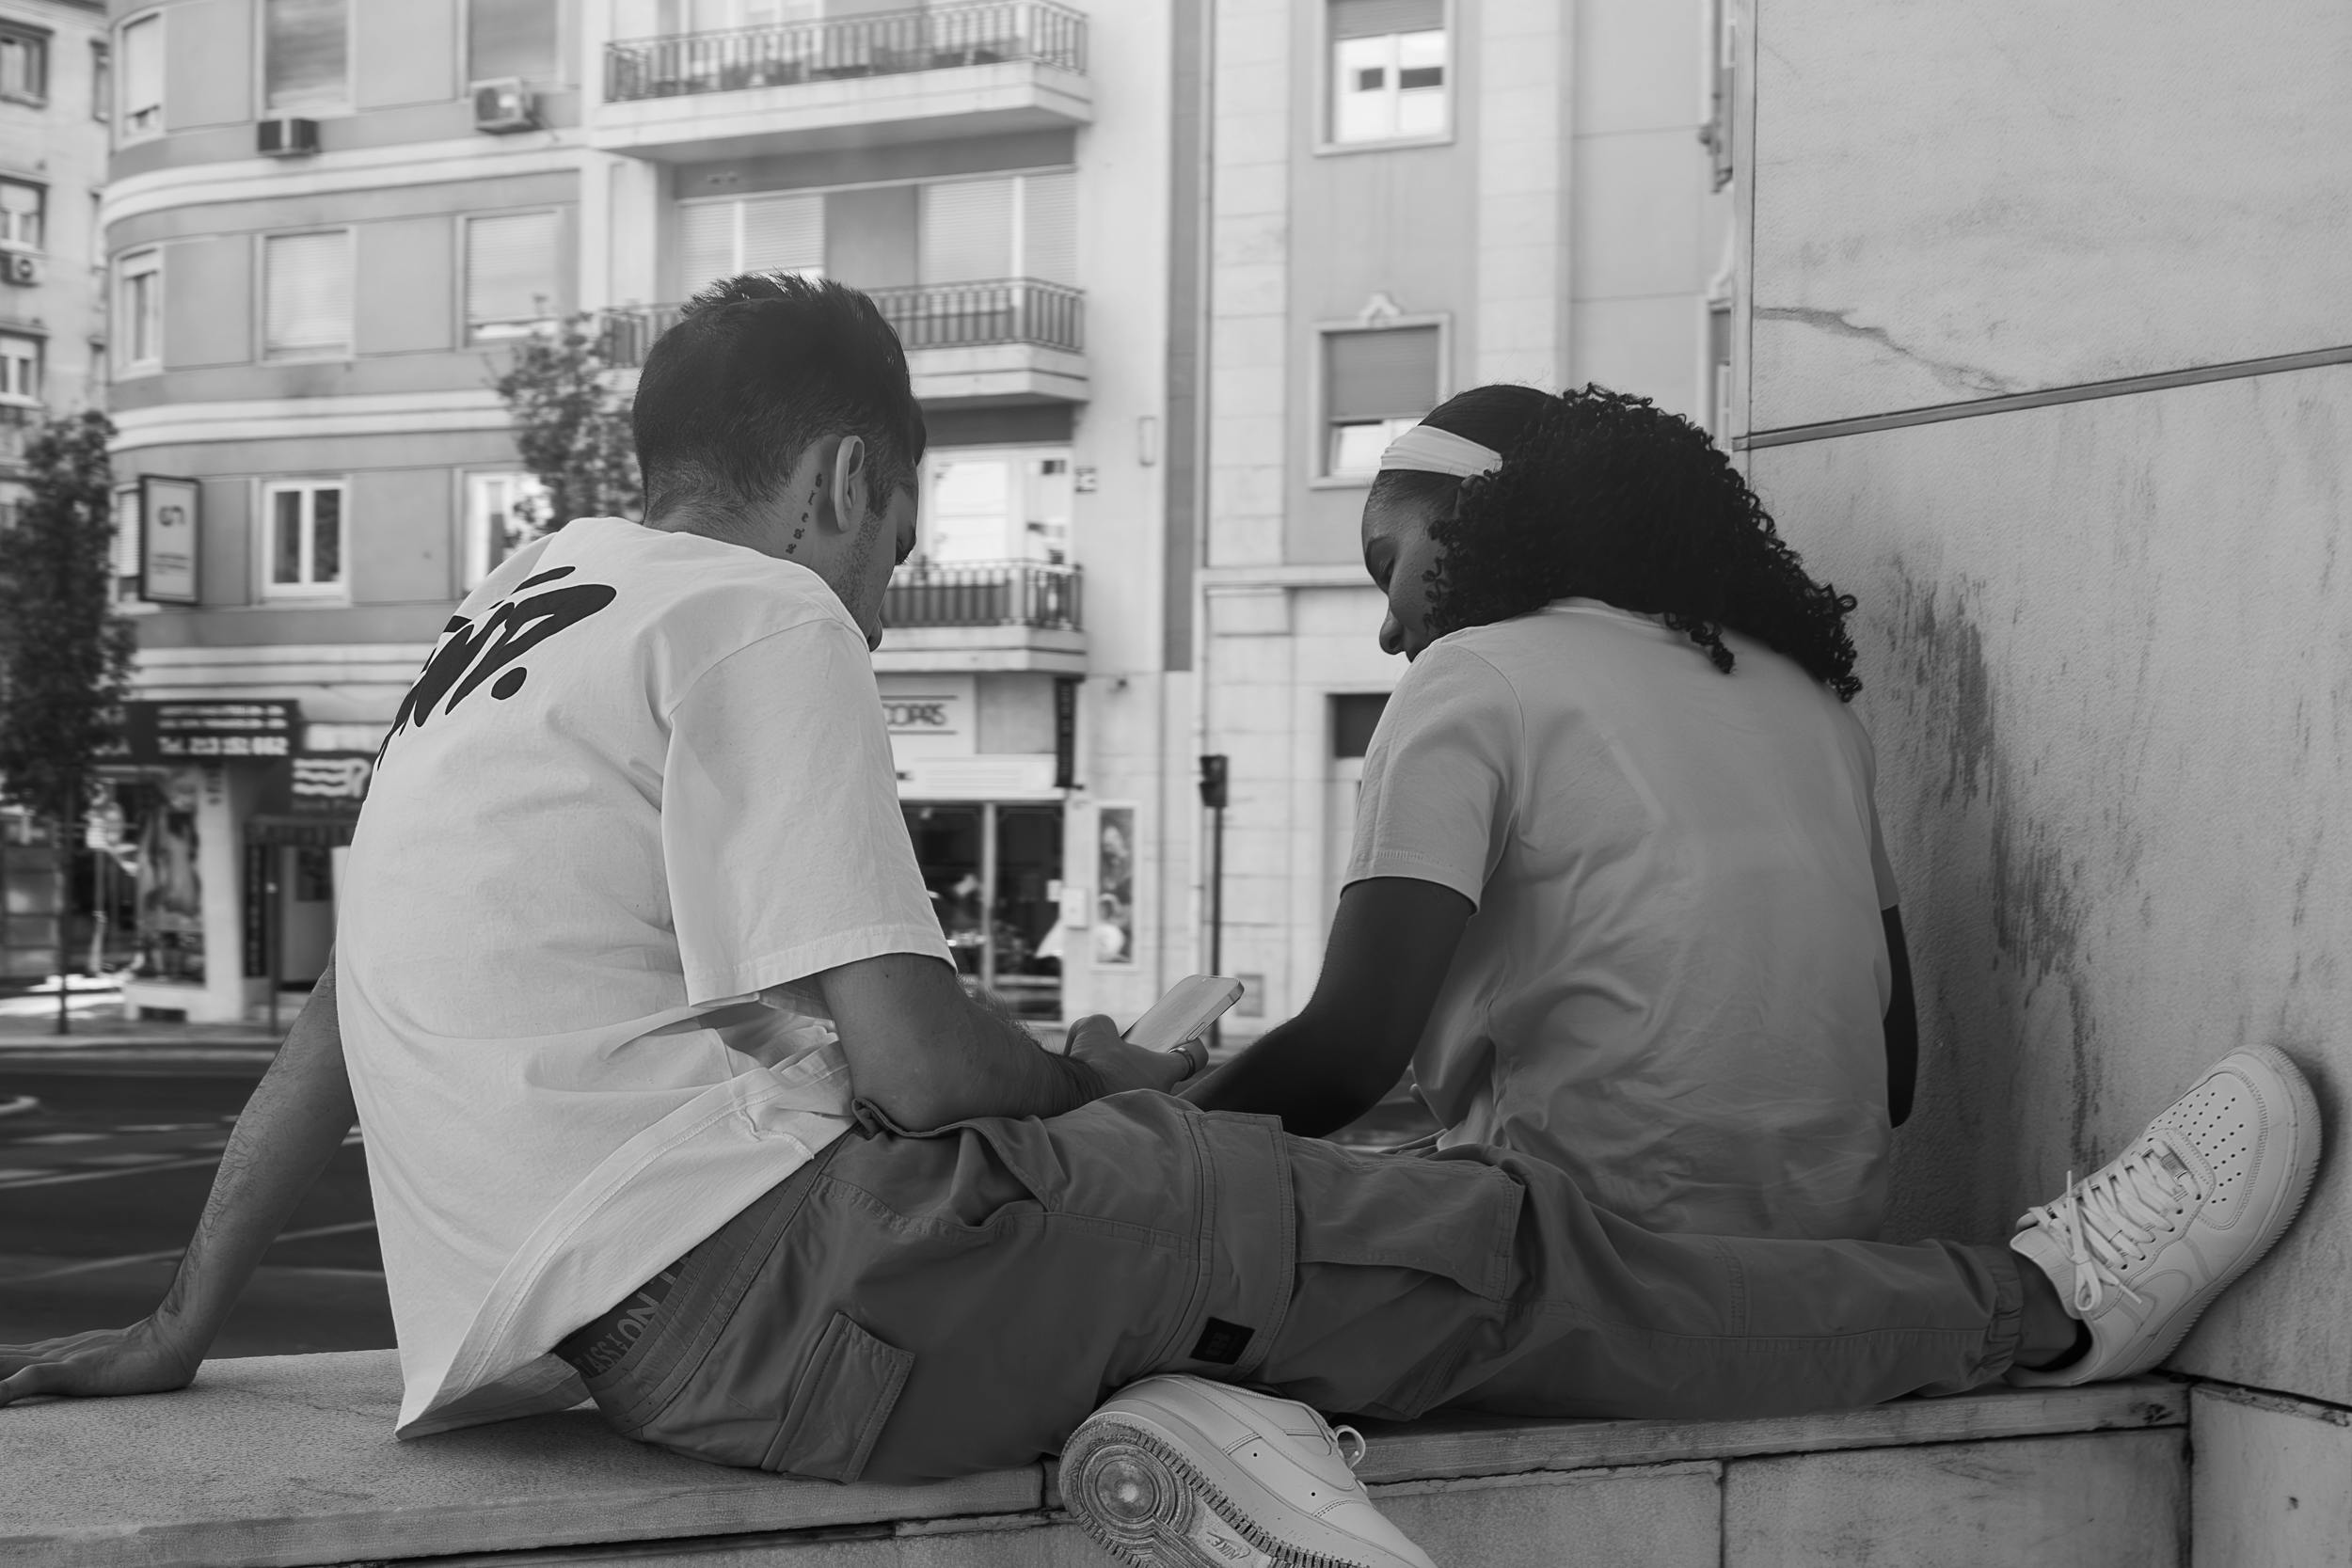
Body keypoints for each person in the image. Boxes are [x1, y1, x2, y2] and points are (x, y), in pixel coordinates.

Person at [0, 278, 2317, 1568]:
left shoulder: (516, 615)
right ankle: (2034, 1310)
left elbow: (337, 1012)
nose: (887, 576)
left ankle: (1191, 1409)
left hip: (678, 1327)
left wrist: (188, 1326)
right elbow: (916, 1073)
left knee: (1218, 1207)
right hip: (807, 1303)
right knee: (1458, 1250)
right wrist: (1090, 1076)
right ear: (845, 480)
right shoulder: (761, 624)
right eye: (895, 530)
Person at [1187, 384, 1910, 1243]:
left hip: (1578, 1257)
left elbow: (1350, 1052)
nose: (1388, 629)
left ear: (1472, 513)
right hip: (1833, 1259)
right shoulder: (1817, 708)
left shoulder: (1473, 673)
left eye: (1388, 566)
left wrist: (1124, 1130)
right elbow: (1894, 1076)